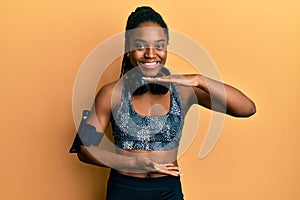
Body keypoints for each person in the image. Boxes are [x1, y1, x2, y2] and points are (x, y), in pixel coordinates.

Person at [70, 6, 256, 200]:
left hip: (168, 191)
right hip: (124, 189)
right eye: (140, 46)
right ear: (128, 49)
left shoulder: (184, 91)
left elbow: (247, 108)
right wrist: (133, 164)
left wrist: (200, 80)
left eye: (159, 46)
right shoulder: (111, 93)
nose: (151, 54)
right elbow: (84, 149)